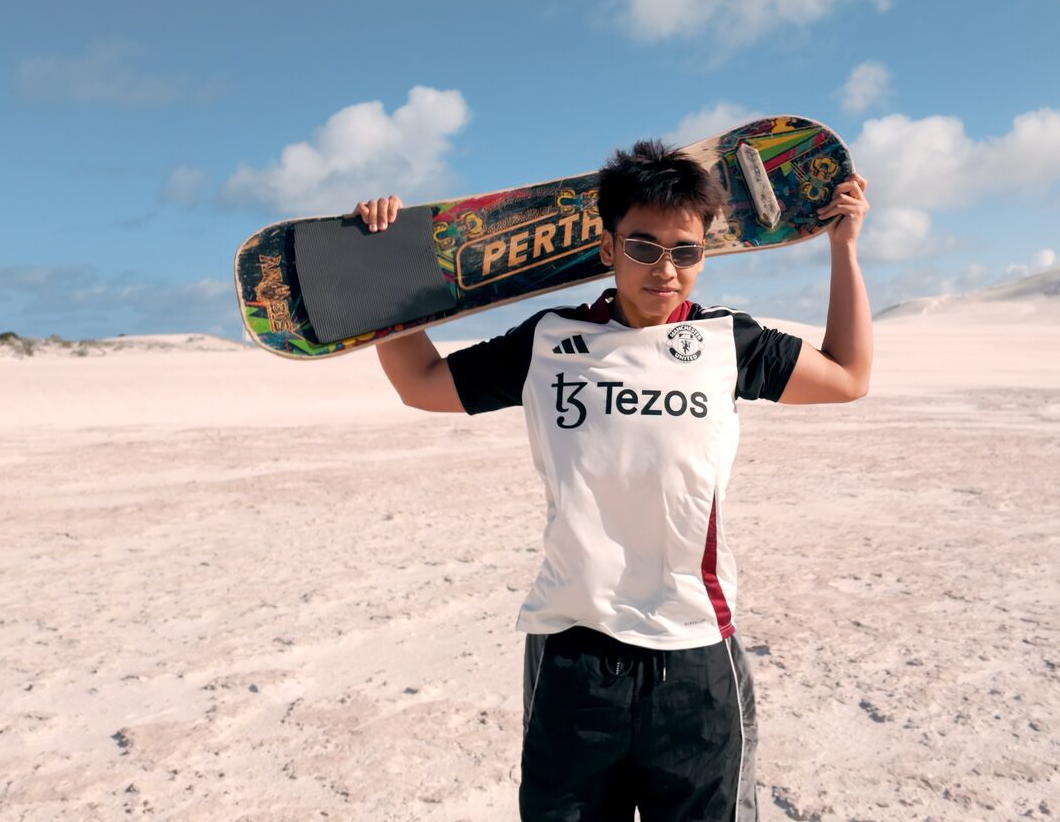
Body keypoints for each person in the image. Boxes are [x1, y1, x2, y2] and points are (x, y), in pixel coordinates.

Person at [358, 138, 871, 821]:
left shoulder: (728, 343)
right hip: (574, 653)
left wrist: (844, 249)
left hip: (694, 656)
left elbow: (847, 376)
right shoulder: (548, 341)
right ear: (607, 247)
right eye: (644, 247)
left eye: (686, 252)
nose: (666, 270)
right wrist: (384, 269)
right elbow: (422, 384)